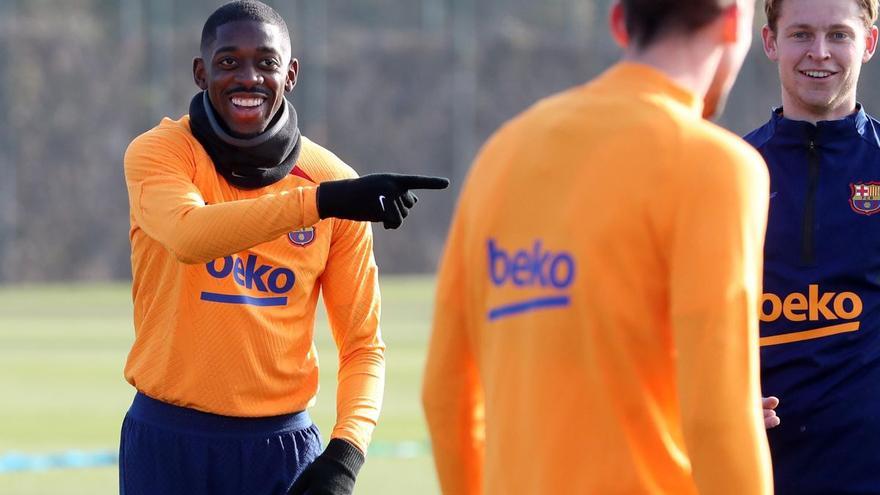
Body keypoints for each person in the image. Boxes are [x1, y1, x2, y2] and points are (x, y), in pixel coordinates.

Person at [421, 0, 773, 493]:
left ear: (620, 21)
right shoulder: (716, 168)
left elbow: (445, 395)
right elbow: (718, 416)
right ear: (734, 21)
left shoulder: (503, 153)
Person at [119, 2, 448, 494]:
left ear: (290, 75)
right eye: (228, 62)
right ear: (200, 73)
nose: (248, 78)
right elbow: (190, 237)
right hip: (167, 442)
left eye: (266, 63)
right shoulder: (161, 153)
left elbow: (363, 346)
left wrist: (346, 456)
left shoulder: (332, 179)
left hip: (280, 448)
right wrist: (320, 203)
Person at [744, 0, 880, 492]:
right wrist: (717, 401)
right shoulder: (731, 171)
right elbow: (675, 322)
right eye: (801, 33)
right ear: (771, 42)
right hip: (754, 471)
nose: (819, 52)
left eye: (839, 35)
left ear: (869, 43)